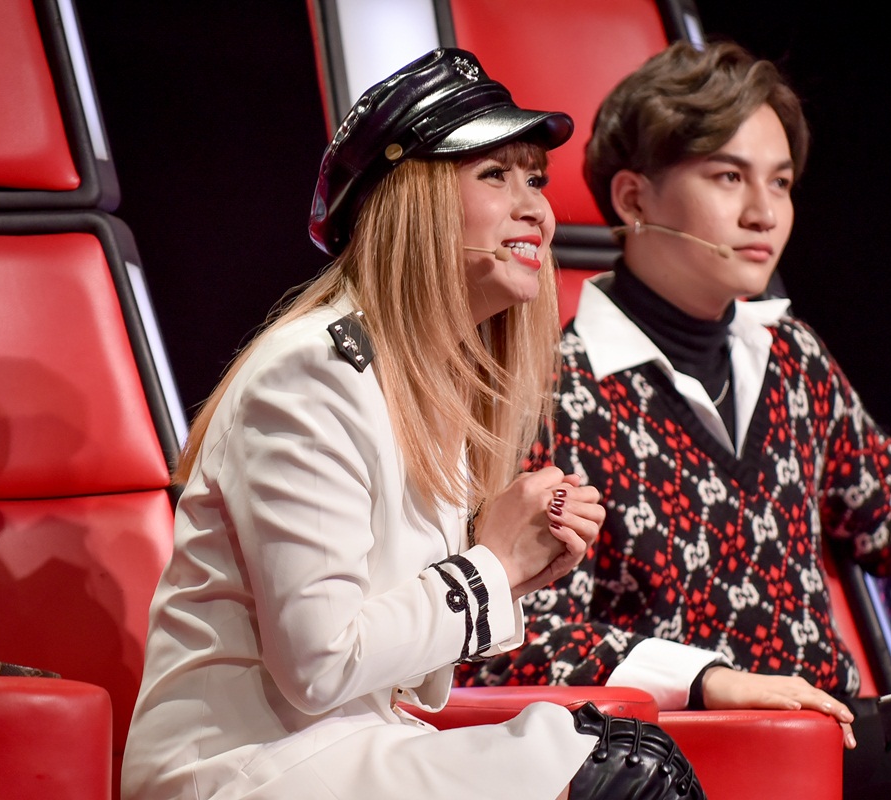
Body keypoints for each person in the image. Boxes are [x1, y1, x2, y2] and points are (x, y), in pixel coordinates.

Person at [120, 47, 706, 800]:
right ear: (411, 201)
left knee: (632, 765)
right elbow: (320, 663)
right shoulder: (313, 372)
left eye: (535, 178)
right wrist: (493, 565)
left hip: (345, 744)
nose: (537, 209)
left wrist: (522, 566)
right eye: (494, 175)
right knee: (623, 777)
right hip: (242, 768)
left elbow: (406, 675)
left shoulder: (428, 381)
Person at [455, 38, 891, 794]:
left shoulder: (794, 357)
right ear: (633, 199)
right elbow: (517, 643)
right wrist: (708, 680)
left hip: (837, 740)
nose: (765, 213)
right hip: (682, 759)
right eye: (729, 177)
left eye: (781, 183)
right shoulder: (556, 392)